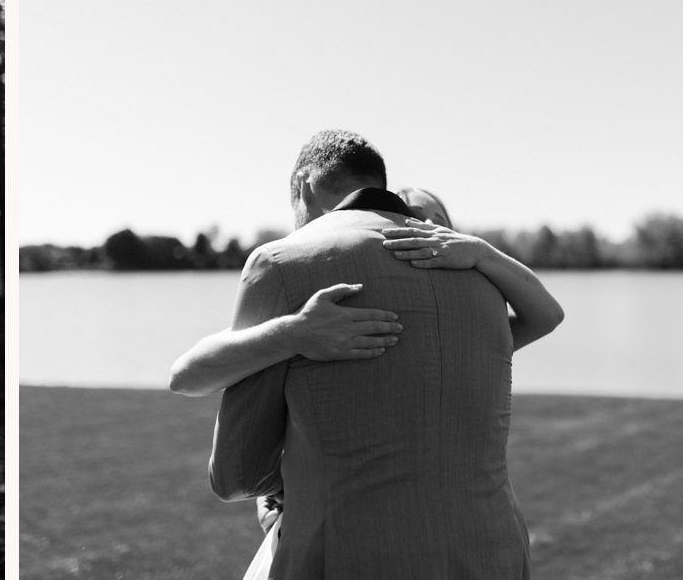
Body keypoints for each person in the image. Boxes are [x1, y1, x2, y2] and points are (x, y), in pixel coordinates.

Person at [192, 130, 563, 579]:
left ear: (305, 186)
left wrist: (291, 488)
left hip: (346, 555)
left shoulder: (282, 265)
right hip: (494, 553)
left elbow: (238, 474)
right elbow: (543, 317)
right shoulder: (488, 283)